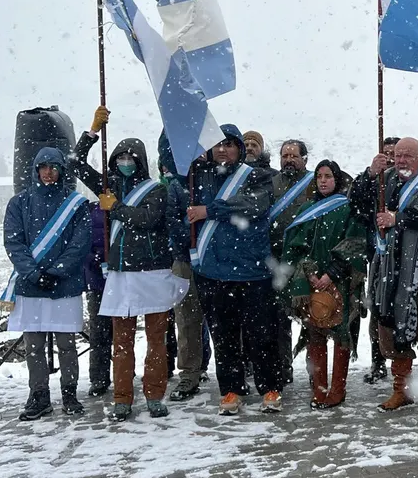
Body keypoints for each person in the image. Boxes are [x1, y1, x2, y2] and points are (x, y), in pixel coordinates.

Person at [73, 109, 187, 421]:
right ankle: (123, 397)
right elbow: (75, 164)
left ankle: (154, 395)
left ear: (140, 159)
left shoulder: (157, 189)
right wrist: (92, 131)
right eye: (120, 158)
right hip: (121, 273)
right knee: (121, 343)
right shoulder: (107, 185)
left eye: (130, 157)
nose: (124, 162)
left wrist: (117, 207)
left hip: (153, 272)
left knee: (155, 341)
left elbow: (146, 220)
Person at [355, 137, 418, 413]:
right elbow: (357, 205)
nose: (401, 161)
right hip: (389, 272)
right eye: (398, 156)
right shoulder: (382, 181)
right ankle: (401, 389)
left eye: (408, 156)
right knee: (391, 332)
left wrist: (397, 218)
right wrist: (369, 174)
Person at [189, 124, 282, 415]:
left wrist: (211, 210)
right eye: (217, 144)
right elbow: (171, 155)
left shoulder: (259, 175)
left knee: (261, 335)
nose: (222, 149)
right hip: (214, 272)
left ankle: (270, 387)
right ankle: (231, 390)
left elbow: (255, 205)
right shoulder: (198, 175)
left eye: (229, 144)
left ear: (240, 148)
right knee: (224, 337)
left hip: (253, 271)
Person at [2, 147, 91, 420]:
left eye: (54, 166)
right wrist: (34, 273)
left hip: (64, 285)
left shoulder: (76, 203)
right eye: (44, 166)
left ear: (62, 170)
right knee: (34, 346)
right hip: (31, 285)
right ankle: (39, 395)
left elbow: (80, 242)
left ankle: (69, 393)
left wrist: (57, 271)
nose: (49, 172)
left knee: (66, 344)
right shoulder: (19, 203)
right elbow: (14, 243)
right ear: (36, 170)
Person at [282, 160, 366, 408]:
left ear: (337, 179)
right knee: (314, 334)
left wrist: (332, 273)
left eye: (328, 176)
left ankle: (338, 390)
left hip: (341, 282)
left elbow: (355, 243)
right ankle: (318, 389)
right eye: (319, 176)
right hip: (310, 281)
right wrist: (309, 272)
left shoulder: (348, 208)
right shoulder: (307, 209)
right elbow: (295, 245)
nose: (323, 180)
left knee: (341, 336)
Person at [158, 133, 208, 402]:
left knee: (224, 319)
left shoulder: (215, 178)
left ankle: (230, 374)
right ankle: (189, 373)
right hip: (185, 258)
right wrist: (189, 237)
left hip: (217, 258)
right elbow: (172, 220)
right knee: (187, 319)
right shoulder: (176, 184)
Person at [350, 136, 400, 385]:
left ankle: (404, 364)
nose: (391, 157)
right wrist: (371, 173)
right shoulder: (374, 180)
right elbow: (355, 202)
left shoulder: (410, 181)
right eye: (386, 152)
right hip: (379, 257)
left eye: (395, 152)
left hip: (405, 257)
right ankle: (378, 361)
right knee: (378, 310)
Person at [269, 139, 315, 387]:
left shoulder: (314, 183)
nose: (288, 160)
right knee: (279, 320)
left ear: (304, 159)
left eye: (293, 156)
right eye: (284, 155)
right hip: (276, 261)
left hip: (305, 260)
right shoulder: (271, 183)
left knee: (311, 319)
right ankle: (282, 367)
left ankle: (313, 370)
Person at [84, 201, 112, 398]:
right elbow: (81, 243)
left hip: (122, 277)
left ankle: (122, 374)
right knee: (99, 333)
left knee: (122, 334)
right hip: (97, 281)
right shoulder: (90, 212)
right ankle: (99, 378)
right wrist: (94, 259)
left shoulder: (125, 206)